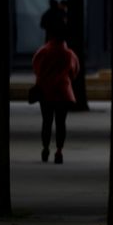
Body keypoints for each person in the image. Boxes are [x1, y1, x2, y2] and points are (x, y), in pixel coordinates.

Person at [32, 21, 80, 164]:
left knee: (46, 121)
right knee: (61, 122)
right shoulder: (69, 54)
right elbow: (74, 71)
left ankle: (45, 147)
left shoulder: (43, 51)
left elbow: (36, 68)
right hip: (62, 92)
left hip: (46, 91)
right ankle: (59, 151)